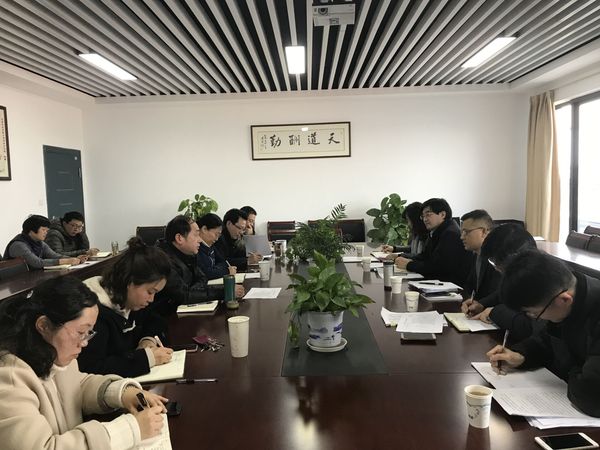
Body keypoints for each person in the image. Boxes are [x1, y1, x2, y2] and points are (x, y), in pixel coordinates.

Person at [0, 276, 167, 449]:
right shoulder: (8, 381)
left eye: (89, 333)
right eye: (81, 332)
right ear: (44, 325)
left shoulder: (52, 352)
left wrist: (122, 393)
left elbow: (77, 386)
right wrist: (128, 430)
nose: (84, 342)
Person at [487, 250, 600, 417]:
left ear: (564, 299)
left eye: (534, 313)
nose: (534, 318)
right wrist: (521, 355)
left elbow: (591, 396)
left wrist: (567, 367)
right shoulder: (567, 292)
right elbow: (548, 339)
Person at [78, 237, 174, 377]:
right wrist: (147, 358)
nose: (151, 299)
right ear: (130, 282)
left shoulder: (130, 300)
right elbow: (92, 367)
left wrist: (148, 340)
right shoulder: (92, 313)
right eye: (150, 292)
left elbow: (155, 321)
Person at [153, 215, 244, 316]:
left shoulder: (189, 253)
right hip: (167, 316)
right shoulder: (163, 260)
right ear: (179, 238)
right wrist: (225, 291)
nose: (200, 240)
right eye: (196, 235)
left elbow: (202, 278)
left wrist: (192, 291)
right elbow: (183, 296)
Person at [462, 223, 539, 342]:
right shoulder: (522, 271)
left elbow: (529, 326)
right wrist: (482, 304)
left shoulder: (541, 279)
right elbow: (503, 292)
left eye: (496, 263)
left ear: (513, 258)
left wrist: (493, 312)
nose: (496, 268)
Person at [394, 198, 471, 286]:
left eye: (428, 215)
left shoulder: (450, 234)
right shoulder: (436, 231)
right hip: (439, 283)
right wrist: (405, 259)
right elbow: (425, 256)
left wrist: (409, 264)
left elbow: (439, 268)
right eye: (423, 216)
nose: (425, 219)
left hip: (451, 287)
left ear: (442, 214)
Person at [3, 214, 82, 269]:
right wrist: (65, 261)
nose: (46, 233)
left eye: (47, 230)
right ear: (31, 230)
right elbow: (37, 263)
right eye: (43, 230)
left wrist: (75, 259)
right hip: (12, 282)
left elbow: (54, 255)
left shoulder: (39, 242)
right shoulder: (19, 245)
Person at [458, 209, 500, 310]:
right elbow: (470, 285)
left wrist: (481, 304)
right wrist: (468, 301)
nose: (461, 237)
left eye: (466, 232)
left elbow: (500, 293)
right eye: (462, 232)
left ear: (484, 232)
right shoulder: (476, 254)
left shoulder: (497, 257)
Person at [197, 213, 235, 280]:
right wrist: (226, 271)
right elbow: (205, 273)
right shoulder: (195, 247)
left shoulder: (211, 246)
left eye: (219, 236)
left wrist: (215, 269)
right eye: (216, 234)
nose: (217, 239)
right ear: (204, 229)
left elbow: (224, 262)